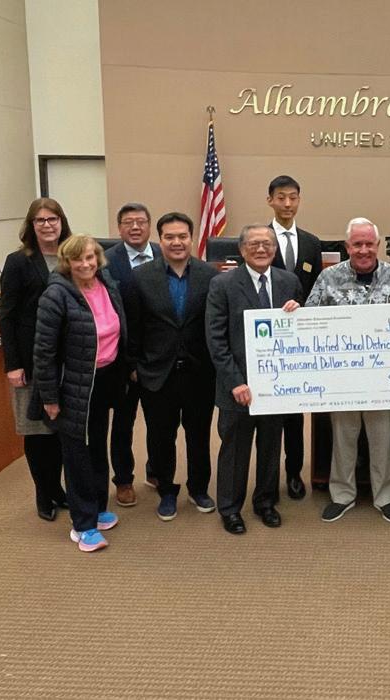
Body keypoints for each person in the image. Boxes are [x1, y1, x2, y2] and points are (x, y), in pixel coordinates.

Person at [306, 217, 390, 524]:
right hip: (343, 378)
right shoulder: (328, 277)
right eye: (357, 244)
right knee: (343, 437)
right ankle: (342, 494)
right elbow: (309, 319)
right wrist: (293, 312)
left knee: (382, 438)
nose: (363, 250)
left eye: (369, 244)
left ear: (377, 245)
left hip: (384, 378)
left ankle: (384, 496)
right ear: (347, 246)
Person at [206, 225, 303, 534]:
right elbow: (216, 340)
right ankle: (230, 509)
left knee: (271, 447)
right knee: (235, 450)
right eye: (254, 244)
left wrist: (299, 313)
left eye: (267, 244)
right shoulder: (222, 284)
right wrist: (235, 381)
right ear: (242, 249)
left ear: (275, 249)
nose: (261, 249)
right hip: (237, 386)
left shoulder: (289, 282)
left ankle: (265, 502)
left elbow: (300, 333)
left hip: (275, 387)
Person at [33, 235, 127, 552]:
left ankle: (97, 508)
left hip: (104, 380)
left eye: (90, 257)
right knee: (77, 455)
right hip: (72, 386)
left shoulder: (106, 283)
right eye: (77, 259)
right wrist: (49, 397)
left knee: (97, 447)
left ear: (98, 257)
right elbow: (43, 352)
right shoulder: (56, 294)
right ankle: (83, 525)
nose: (85, 264)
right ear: (67, 262)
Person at [127, 212, 218, 521]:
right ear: (160, 240)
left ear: (192, 239)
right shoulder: (141, 277)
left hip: (199, 372)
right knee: (160, 437)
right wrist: (135, 365)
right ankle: (166, 491)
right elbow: (133, 326)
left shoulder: (209, 275)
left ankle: (198, 489)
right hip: (156, 372)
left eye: (182, 236)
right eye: (169, 237)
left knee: (199, 436)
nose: (177, 242)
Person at [0, 198, 72, 520]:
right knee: (37, 431)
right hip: (30, 361)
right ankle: (44, 493)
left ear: (61, 222)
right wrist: (12, 364)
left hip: (67, 360)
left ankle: (58, 489)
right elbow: (7, 315)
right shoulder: (18, 262)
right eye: (40, 220)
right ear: (31, 225)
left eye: (52, 219)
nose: (47, 225)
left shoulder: (72, 257)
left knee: (60, 430)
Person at [267, 175, 322, 501]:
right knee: (270, 413)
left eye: (292, 197)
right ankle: (268, 475)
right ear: (270, 200)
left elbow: (316, 290)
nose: (287, 204)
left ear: (299, 200)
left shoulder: (312, 243)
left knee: (295, 414)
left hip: (300, 341)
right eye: (281, 197)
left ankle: (293, 473)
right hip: (267, 340)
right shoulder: (258, 239)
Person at [105, 202, 162, 507]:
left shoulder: (165, 253)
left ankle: (156, 471)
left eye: (141, 221)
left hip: (158, 357)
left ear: (150, 226)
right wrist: (129, 360)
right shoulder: (105, 260)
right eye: (128, 222)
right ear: (119, 228)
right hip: (121, 357)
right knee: (123, 424)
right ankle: (123, 479)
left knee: (159, 420)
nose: (135, 227)